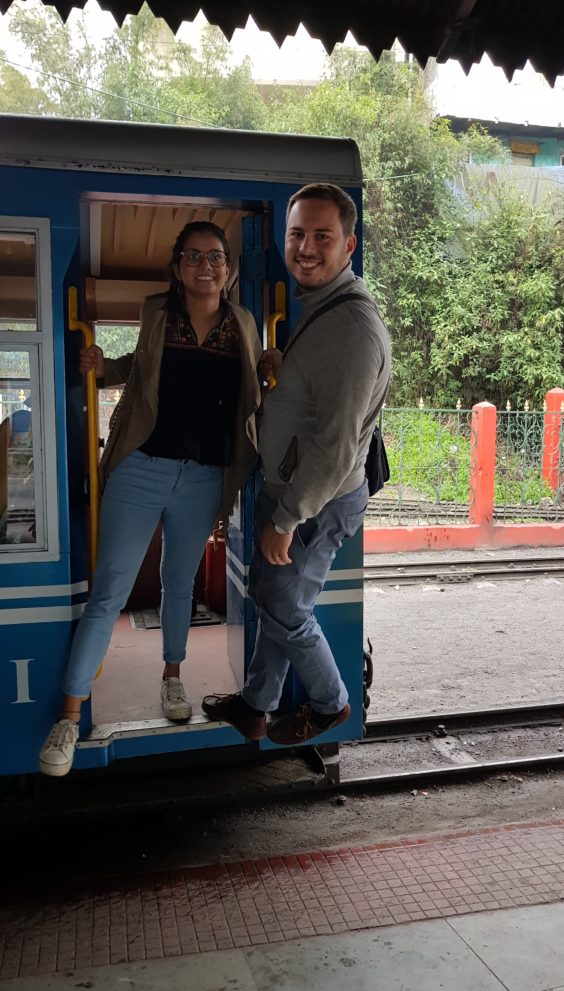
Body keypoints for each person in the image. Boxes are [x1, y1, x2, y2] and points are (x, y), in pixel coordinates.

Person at [38, 221, 262, 776]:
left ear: (229, 268)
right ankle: (68, 716)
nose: (205, 266)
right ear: (177, 267)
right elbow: (142, 372)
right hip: (141, 468)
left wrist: (276, 367)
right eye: (193, 256)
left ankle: (172, 679)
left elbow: (254, 391)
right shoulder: (156, 313)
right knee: (109, 592)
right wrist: (104, 368)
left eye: (215, 257)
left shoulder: (245, 325)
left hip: (205, 477)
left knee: (178, 583)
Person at [202, 183, 391, 745]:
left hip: (315, 498)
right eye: (297, 234)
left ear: (349, 244)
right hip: (296, 488)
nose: (306, 248)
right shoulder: (324, 309)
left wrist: (288, 518)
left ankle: (332, 702)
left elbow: (335, 445)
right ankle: (257, 705)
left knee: (284, 605)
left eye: (322, 236)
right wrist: (287, 369)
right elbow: (323, 398)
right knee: (272, 595)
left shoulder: (349, 329)